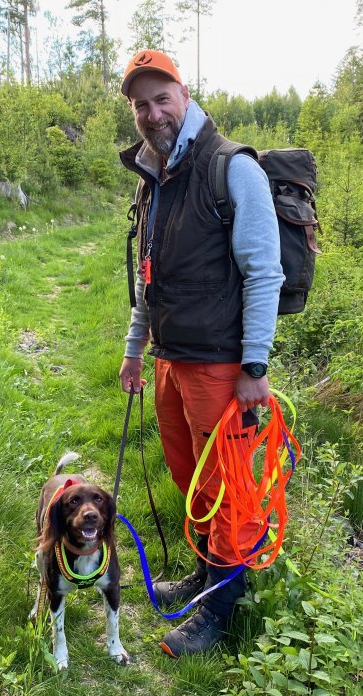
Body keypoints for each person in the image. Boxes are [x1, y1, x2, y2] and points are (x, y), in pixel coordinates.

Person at [118, 50, 283, 658]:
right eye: (141, 103)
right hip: (170, 358)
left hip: (220, 363)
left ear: (184, 96)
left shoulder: (229, 167)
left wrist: (254, 367)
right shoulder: (157, 176)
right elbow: (150, 277)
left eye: (162, 98)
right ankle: (205, 573)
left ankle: (221, 611)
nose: (153, 112)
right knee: (193, 480)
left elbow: (264, 271)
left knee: (230, 488)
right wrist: (136, 351)